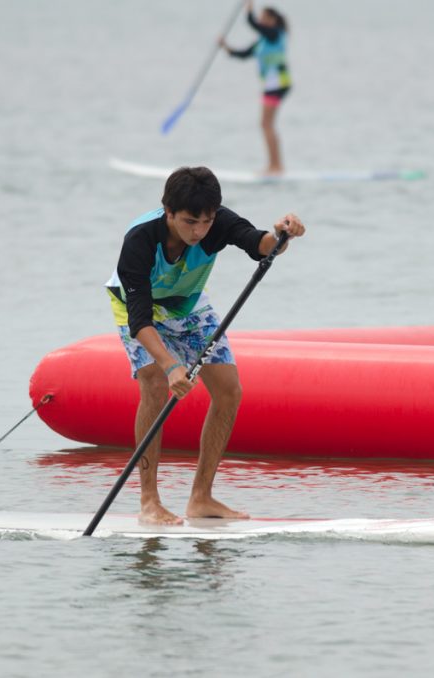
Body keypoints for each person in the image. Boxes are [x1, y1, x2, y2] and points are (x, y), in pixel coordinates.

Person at [105, 167, 306, 525]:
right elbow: (139, 323)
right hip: (139, 309)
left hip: (188, 304)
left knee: (229, 391)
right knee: (153, 384)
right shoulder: (140, 240)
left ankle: (201, 497)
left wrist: (281, 236)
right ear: (168, 212)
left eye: (206, 222)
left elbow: (258, 245)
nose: (199, 231)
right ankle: (149, 501)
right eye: (189, 222)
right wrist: (170, 366)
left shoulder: (218, 223)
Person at [220, 1, 291, 175]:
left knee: (266, 125)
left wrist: (249, 8)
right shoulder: (263, 40)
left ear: (272, 20)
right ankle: (275, 165)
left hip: (278, 84)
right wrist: (225, 47)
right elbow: (243, 54)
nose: (261, 20)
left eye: (264, 17)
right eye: (260, 17)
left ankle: (275, 166)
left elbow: (253, 24)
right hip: (271, 86)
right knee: (267, 125)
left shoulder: (275, 34)